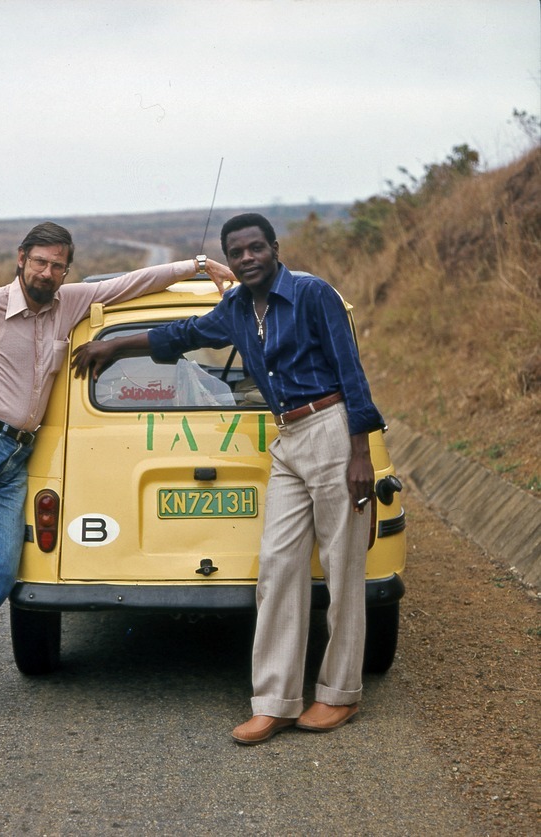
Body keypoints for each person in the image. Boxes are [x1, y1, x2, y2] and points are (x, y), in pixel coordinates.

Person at [0, 221, 225, 716]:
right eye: (40, 261)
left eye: (58, 264)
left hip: (19, 453)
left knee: (0, 569)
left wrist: (198, 264)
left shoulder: (73, 302)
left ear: (66, 269)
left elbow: (133, 282)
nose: (48, 272)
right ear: (21, 259)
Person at [71, 212, 385, 744]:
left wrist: (361, 454)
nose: (246, 258)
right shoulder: (237, 308)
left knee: (341, 570)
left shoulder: (313, 295)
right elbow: (182, 335)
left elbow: (351, 373)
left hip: (332, 430)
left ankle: (339, 694)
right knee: (278, 567)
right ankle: (276, 702)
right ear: (230, 258)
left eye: (255, 248)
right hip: (286, 437)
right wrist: (115, 346)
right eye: (236, 252)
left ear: (274, 248)